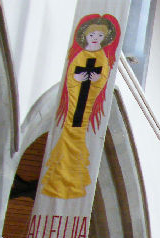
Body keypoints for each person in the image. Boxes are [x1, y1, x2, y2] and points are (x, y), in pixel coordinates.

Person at [41, 14, 121, 199]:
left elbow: (102, 80)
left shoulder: (102, 57)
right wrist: (76, 79)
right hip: (73, 102)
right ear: (85, 35)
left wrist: (96, 80)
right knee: (67, 138)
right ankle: (58, 178)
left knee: (79, 140)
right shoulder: (77, 55)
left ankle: (73, 181)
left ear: (105, 39)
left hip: (86, 107)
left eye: (100, 36)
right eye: (92, 34)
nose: (95, 38)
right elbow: (71, 75)